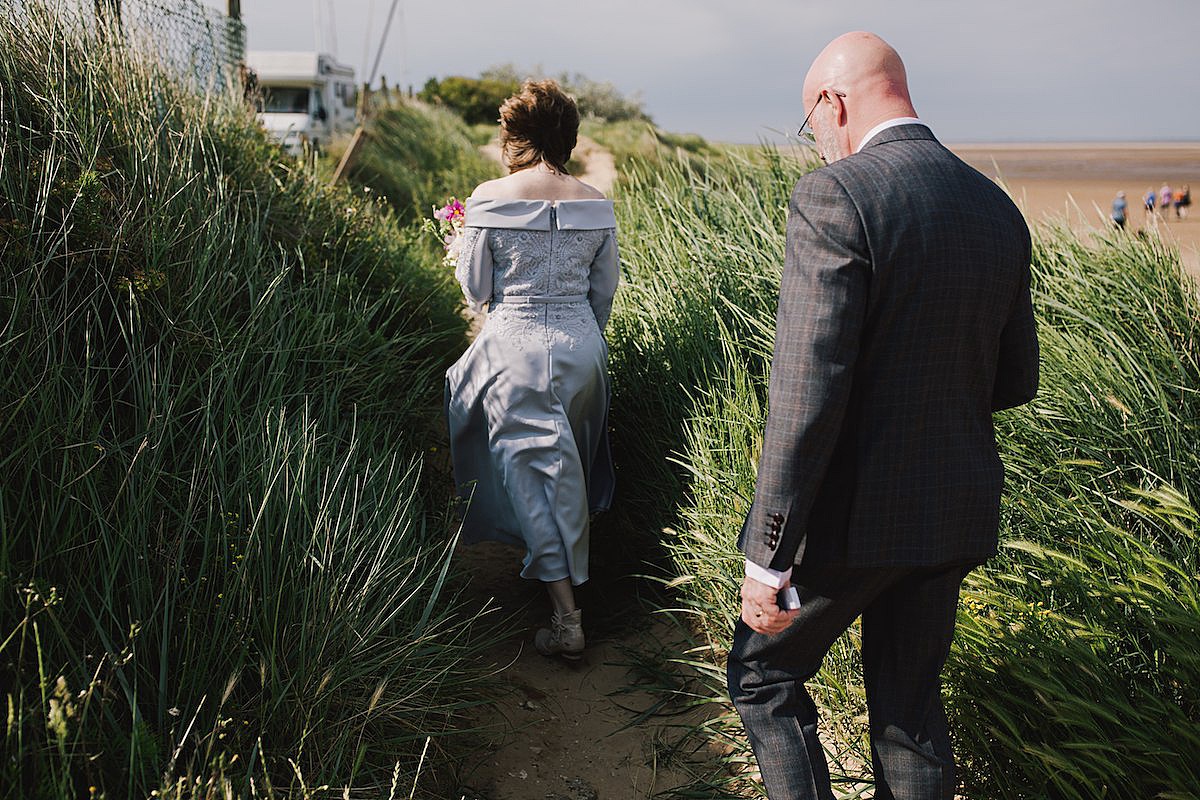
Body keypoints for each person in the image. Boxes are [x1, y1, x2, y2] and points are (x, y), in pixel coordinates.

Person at [726, 32, 1039, 799]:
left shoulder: (836, 195)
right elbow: (1017, 379)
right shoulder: (994, 206)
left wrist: (768, 558)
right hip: (952, 514)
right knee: (908, 710)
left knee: (762, 679)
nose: (819, 146)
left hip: (848, 525)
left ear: (833, 102)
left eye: (813, 125)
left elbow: (806, 392)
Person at [445, 79, 618, 661]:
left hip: (516, 349)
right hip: (582, 351)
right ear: (568, 136)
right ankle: (558, 568)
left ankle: (567, 619)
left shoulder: (491, 198)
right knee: (561, 466)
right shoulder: (596, 202)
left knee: (530, 474)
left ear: (514, 136)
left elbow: (476, 290)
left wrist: (462, 244)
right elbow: (604, 293)